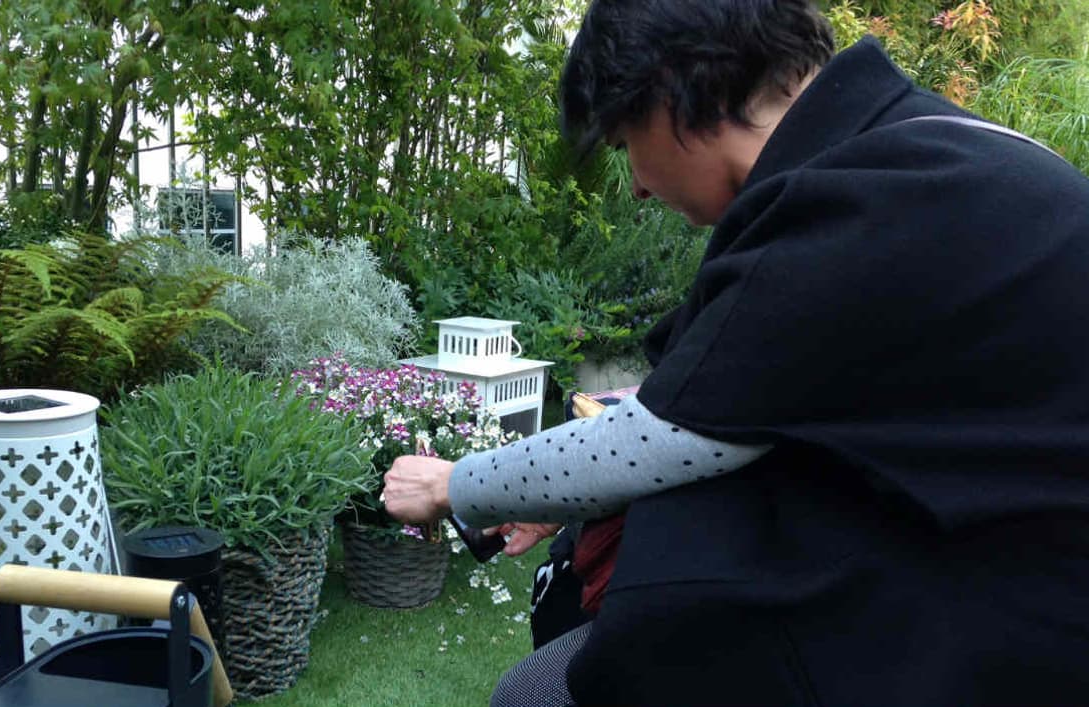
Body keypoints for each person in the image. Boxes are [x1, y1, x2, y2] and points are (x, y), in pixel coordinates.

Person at [382, 0, 1089, 704]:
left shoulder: (872, 201)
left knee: (539, 694)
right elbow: (731, 400)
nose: (636, 185)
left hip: (1003, 636)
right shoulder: (926, 153)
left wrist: (451, 485)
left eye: (626, 143)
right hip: (973, 589)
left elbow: (663, 436)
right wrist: (561, 496)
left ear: (674, 94)